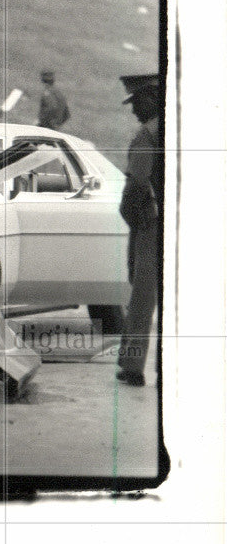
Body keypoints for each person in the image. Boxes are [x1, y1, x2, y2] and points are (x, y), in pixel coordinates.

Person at [115, 73, 163, 387]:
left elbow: (137, 182)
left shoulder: (148, 133)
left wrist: (130, 215)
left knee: (143, 295)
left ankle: (133, 366)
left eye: (137, 102)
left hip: (152, 220)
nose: (134, 111)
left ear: (152, 97)